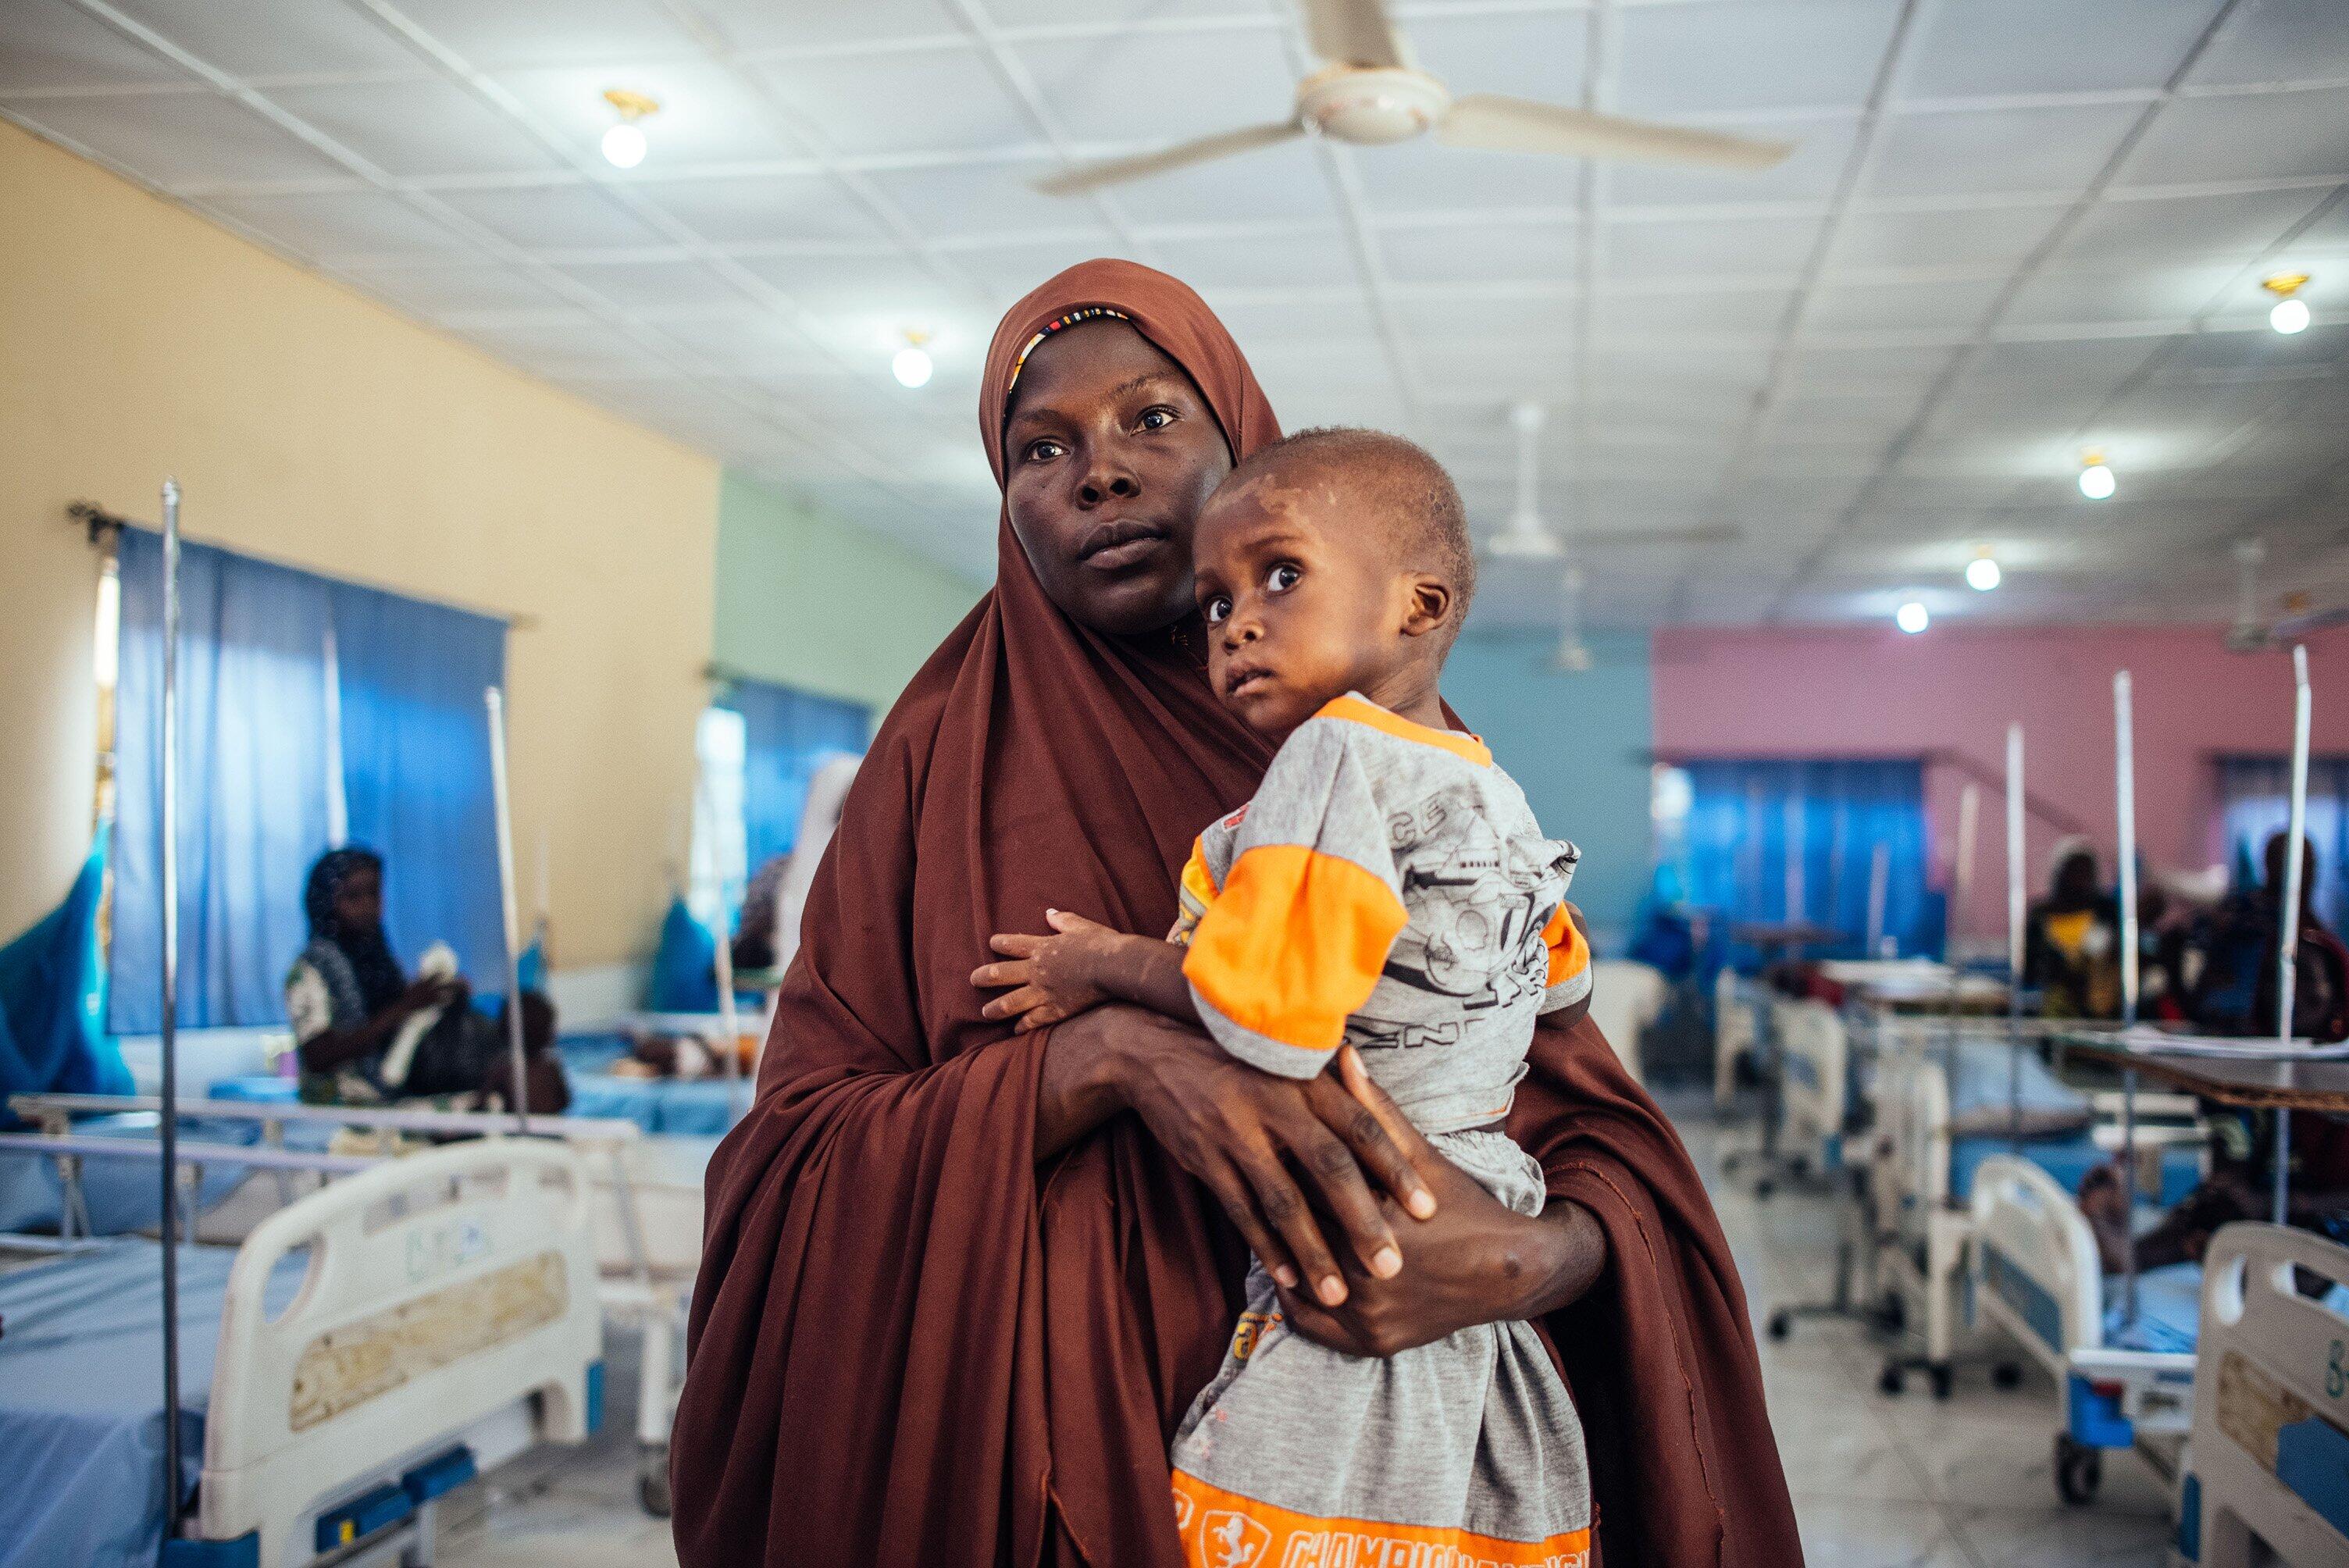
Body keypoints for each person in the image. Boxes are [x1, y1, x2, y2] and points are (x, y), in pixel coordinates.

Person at [670, 261, 1799, 1567]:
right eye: (1042, 448)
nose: (1098, 472)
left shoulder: (1395, 757)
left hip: (1394, 1478)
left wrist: (1518, 1265)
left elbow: (1586, 1131)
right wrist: (1104, 1058)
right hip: (1033, 1471)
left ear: (1238, 444)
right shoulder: (931, 768)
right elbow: (793, 1168)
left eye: (1150, 420)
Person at [975, 429, 1595, 1560]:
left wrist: (1101, 965)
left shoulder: (1330, 759)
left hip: (1351, 1200)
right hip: (1481, 1187)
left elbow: (1263, 1012)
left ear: (1419, 606)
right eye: (1213, 604)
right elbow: (1564, 977)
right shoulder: (1489, 781)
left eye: (1280, 578)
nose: (1238, 624)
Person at [286, 847, 492, 1103]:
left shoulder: (377, 960)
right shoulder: (309, 970)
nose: (368, 907)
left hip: (389, 1094)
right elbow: (319, 1056)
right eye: (353, 897)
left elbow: (396, 1025)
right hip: (340, 1105)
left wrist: (437, 997)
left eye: (374, 894)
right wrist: (405, 1007)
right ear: (326, 902)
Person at [2023, 839, 2119, 1018]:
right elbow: (2030, 968)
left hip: (2099, 1005)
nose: (2081, 878)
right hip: (2054, 1003)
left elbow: (2112, 953)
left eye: (2086, 871)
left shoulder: (2105, 911)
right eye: (2075, 870)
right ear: (2060, 872)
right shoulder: (2040, 914)